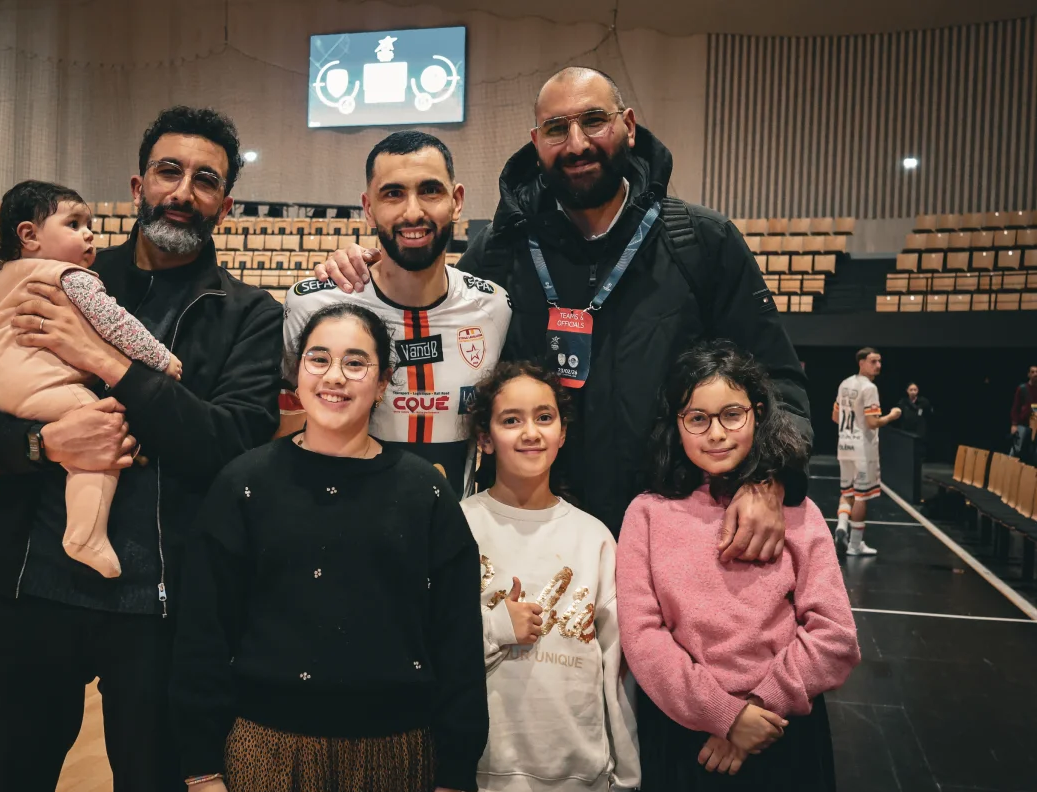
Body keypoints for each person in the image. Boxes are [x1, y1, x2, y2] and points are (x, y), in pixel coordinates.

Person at [0, 105, 283, 792]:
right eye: (168, 172)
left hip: (163, 608)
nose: (183, 190)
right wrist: (39, 446)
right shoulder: (50, 274)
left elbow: (232, 448)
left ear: (226, 204)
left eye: (205, 180)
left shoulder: (247, 313)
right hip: (27, 592)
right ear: (137, 185)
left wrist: (104, 363)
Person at [314, 67, 812, 563]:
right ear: (536, 142)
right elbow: (423, 314)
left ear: (629, 126)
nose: (576, 144)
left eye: (594, 121)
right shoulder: (500, 251)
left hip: (680, 533)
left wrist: (768, 478)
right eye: (556, 129)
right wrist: (355, 272)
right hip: (536, 541)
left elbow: (778, 381)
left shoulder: (702, 242)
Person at [171, 303, 487, 792]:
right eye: (318, 359)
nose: (334, 377)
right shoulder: (243, 484)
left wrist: (457, 778)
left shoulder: (425, 492)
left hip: (397, 756)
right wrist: (202, 770)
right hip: (265, 750)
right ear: (297, 373)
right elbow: (202, 637)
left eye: (356, 363)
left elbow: (457, 645)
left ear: (384, 381)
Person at [617, 341, 860, 792]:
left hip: (783, 735)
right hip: (683, 740)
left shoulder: (796, 510)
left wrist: (756, 713)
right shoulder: (646, 513)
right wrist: (724, 717)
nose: (716, 434)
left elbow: (835, 637)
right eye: (697, 419)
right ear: (677, 424)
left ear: (759, 412)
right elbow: (643, 638)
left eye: (732, 414)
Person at [0, 180, 185, 578]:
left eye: (89, 224)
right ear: (28, 235)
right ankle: (85, 534)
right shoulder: (74, 277)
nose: (89, 233)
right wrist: (161, 358)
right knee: (102, 433)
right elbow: (118, 325)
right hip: (43, 386)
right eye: (75, 224)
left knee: (5, 424)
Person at [282, 131, 511, 496]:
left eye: (430, 190)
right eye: (393, 194)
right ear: (368, 207)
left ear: (457, 201)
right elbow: (286, 422)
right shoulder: (312, 306)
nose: (413, 212)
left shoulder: (494, 307)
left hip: (450, 534)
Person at [462, 361, 639, 792]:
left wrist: (624, 786)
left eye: (544, 417)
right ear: (485, 437)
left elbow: (616, 671)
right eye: (510, 420)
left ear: (562, 433)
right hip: (475, 782)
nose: (530, 432)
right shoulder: (457, 525)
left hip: (578, 790)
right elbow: (426, 646)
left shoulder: (594, 536)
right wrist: (498, 626)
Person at [833, 347, 901, 556]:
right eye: (873, 361)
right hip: (862, 449)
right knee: (861, 497)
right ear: (861, 363)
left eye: (880, 361)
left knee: (847, 492)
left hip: (844, 444)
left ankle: (841, 526)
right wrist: (892, 415)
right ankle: (854, 545)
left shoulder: (845, 383)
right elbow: (872, 423)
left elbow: (835, 417)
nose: (878, 365)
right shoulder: (869, 388)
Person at [896, 382, 933, 460]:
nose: (913, 391)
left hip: (919, 430)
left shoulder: (923, 402)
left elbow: (928, 414)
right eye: (911, 389)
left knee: (918, 452)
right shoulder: (902, 402)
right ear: (907, 391)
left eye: (915, 390)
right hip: (906, 430)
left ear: (918, 391)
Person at [1009, 365, 1037, 465]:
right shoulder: (1023, 389)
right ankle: (1008, 470)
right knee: (1017, 449)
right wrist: (1014, 424)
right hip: (1022, 424)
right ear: (1029, 374)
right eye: (1033, 372)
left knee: (1032, 452)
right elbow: (1015, 407)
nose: (1035, 374)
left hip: (1035, 425)